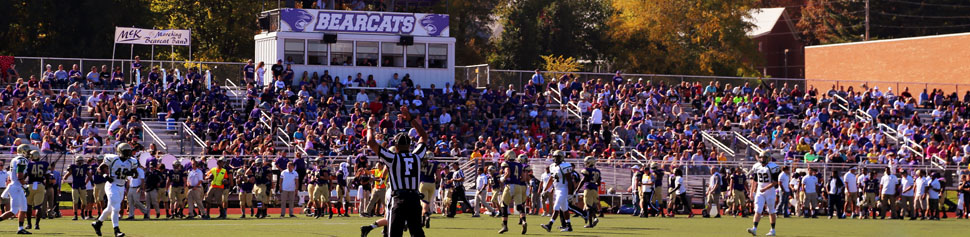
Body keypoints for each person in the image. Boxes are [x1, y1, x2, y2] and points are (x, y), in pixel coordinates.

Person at [361, 105, 428, 237]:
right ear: (409, 145)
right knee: (417, 233)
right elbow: (424, 136)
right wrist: (411, 119)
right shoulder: (416, 157)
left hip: (399, 199)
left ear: (396, 146)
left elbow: (370, 142)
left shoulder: (392, 158)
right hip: (414, 199)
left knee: (394, 234)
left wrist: (369, 127)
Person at [92, 143, 139, 237]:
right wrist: (106, 176)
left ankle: (98, 224)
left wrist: (131, 173)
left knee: (110, 208)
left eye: (128, 151)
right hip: (111, 185)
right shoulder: (113, 159)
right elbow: (99, 169)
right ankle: (116, 230)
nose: (128, 153)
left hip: (121, 186)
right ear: (120, 151)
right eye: (126, 151)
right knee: (116, 208)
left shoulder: (132, 161)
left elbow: (136, 174)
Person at [0, 144, 35, 234]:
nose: (28, 153)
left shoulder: (15, 159)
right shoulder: (22, 160)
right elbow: (19, 175)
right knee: (14, 211)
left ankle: (20, 228)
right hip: (17, 186)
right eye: (27, 151)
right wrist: (25, 186)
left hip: (16, 186)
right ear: (23, 151)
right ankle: (20, 228)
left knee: (23, 208)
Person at [746, 150, 781, 237]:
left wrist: (764, 188)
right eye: (761, 157)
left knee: (771, 211)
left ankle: (773, 230)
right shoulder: (757, 166)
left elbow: (775, 182)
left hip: (769, 191)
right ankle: (754, 228)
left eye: (764, 158)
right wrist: (751, 191)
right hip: (760, 191)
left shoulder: (772, 167)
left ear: (768, 158)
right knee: (757, 210)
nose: (762, 159)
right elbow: (755, 180)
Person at [541, 150, 573, 233]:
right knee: (564, 208)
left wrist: (570, 193)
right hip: (557, 189)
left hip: (563, 189)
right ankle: (569, 226)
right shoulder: (552, 166)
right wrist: (545, 190)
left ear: (562, 158)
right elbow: (551, 179)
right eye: (555, 157)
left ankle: (549, 225)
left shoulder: (564, 166)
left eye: (558, 157)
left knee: (556, 207)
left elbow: (569, 180)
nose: (556, 159)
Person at [25, 150, 49, 229]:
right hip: (40, 185)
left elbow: (25, 175)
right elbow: (47, 176)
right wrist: (46, 185)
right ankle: (37, 225)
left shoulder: (28, 164)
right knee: (38, 207)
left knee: (29, 206)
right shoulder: (44, 164)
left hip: (30, 185)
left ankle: (29, 224)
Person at [64, 156, 90, 220]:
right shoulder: (73, 166)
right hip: (75, 185)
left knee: (84, 202)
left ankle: (82, 212)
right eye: (79, 161)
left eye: (81, 161)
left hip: (82, 185)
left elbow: (89, 174)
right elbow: (68, 173)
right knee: (75, 201)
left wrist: (91, 181)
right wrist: (64, 178)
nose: (80, 162)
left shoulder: (85, 166)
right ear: (76, 161)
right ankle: (75, 215)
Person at [578, 156, 601, 227]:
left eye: (587, 162)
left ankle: (593, 221)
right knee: (591, 205)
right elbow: (599, 183)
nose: (586, 163)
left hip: (588, 188)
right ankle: (594, 219)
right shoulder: (597, 171)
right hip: (595, 188)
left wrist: (577, 189)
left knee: (588, 206)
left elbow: (583, 180)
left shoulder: (586, 170)